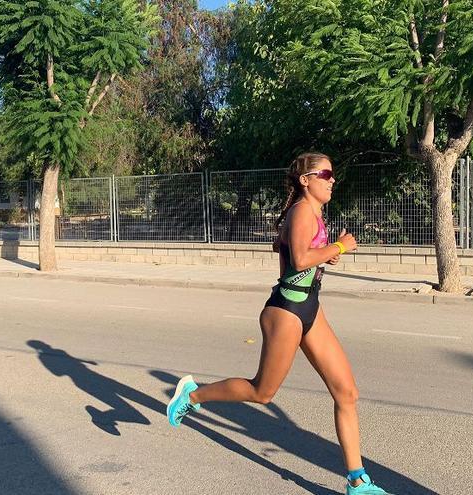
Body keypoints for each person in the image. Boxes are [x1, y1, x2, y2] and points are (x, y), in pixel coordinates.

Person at [166, 152, 388, 494]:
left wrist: (324, 251)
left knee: (347, 392)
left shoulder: (309, 213)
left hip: (309, 307)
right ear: (305, 180)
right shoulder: (302, 211)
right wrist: (339, 246)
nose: (332, 180)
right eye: (325, 174)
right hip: (286, 311)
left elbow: (285, 248)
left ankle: (357, 481)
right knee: (263, 392)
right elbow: (299, 259)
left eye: (332, 175)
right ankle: (193, 396)